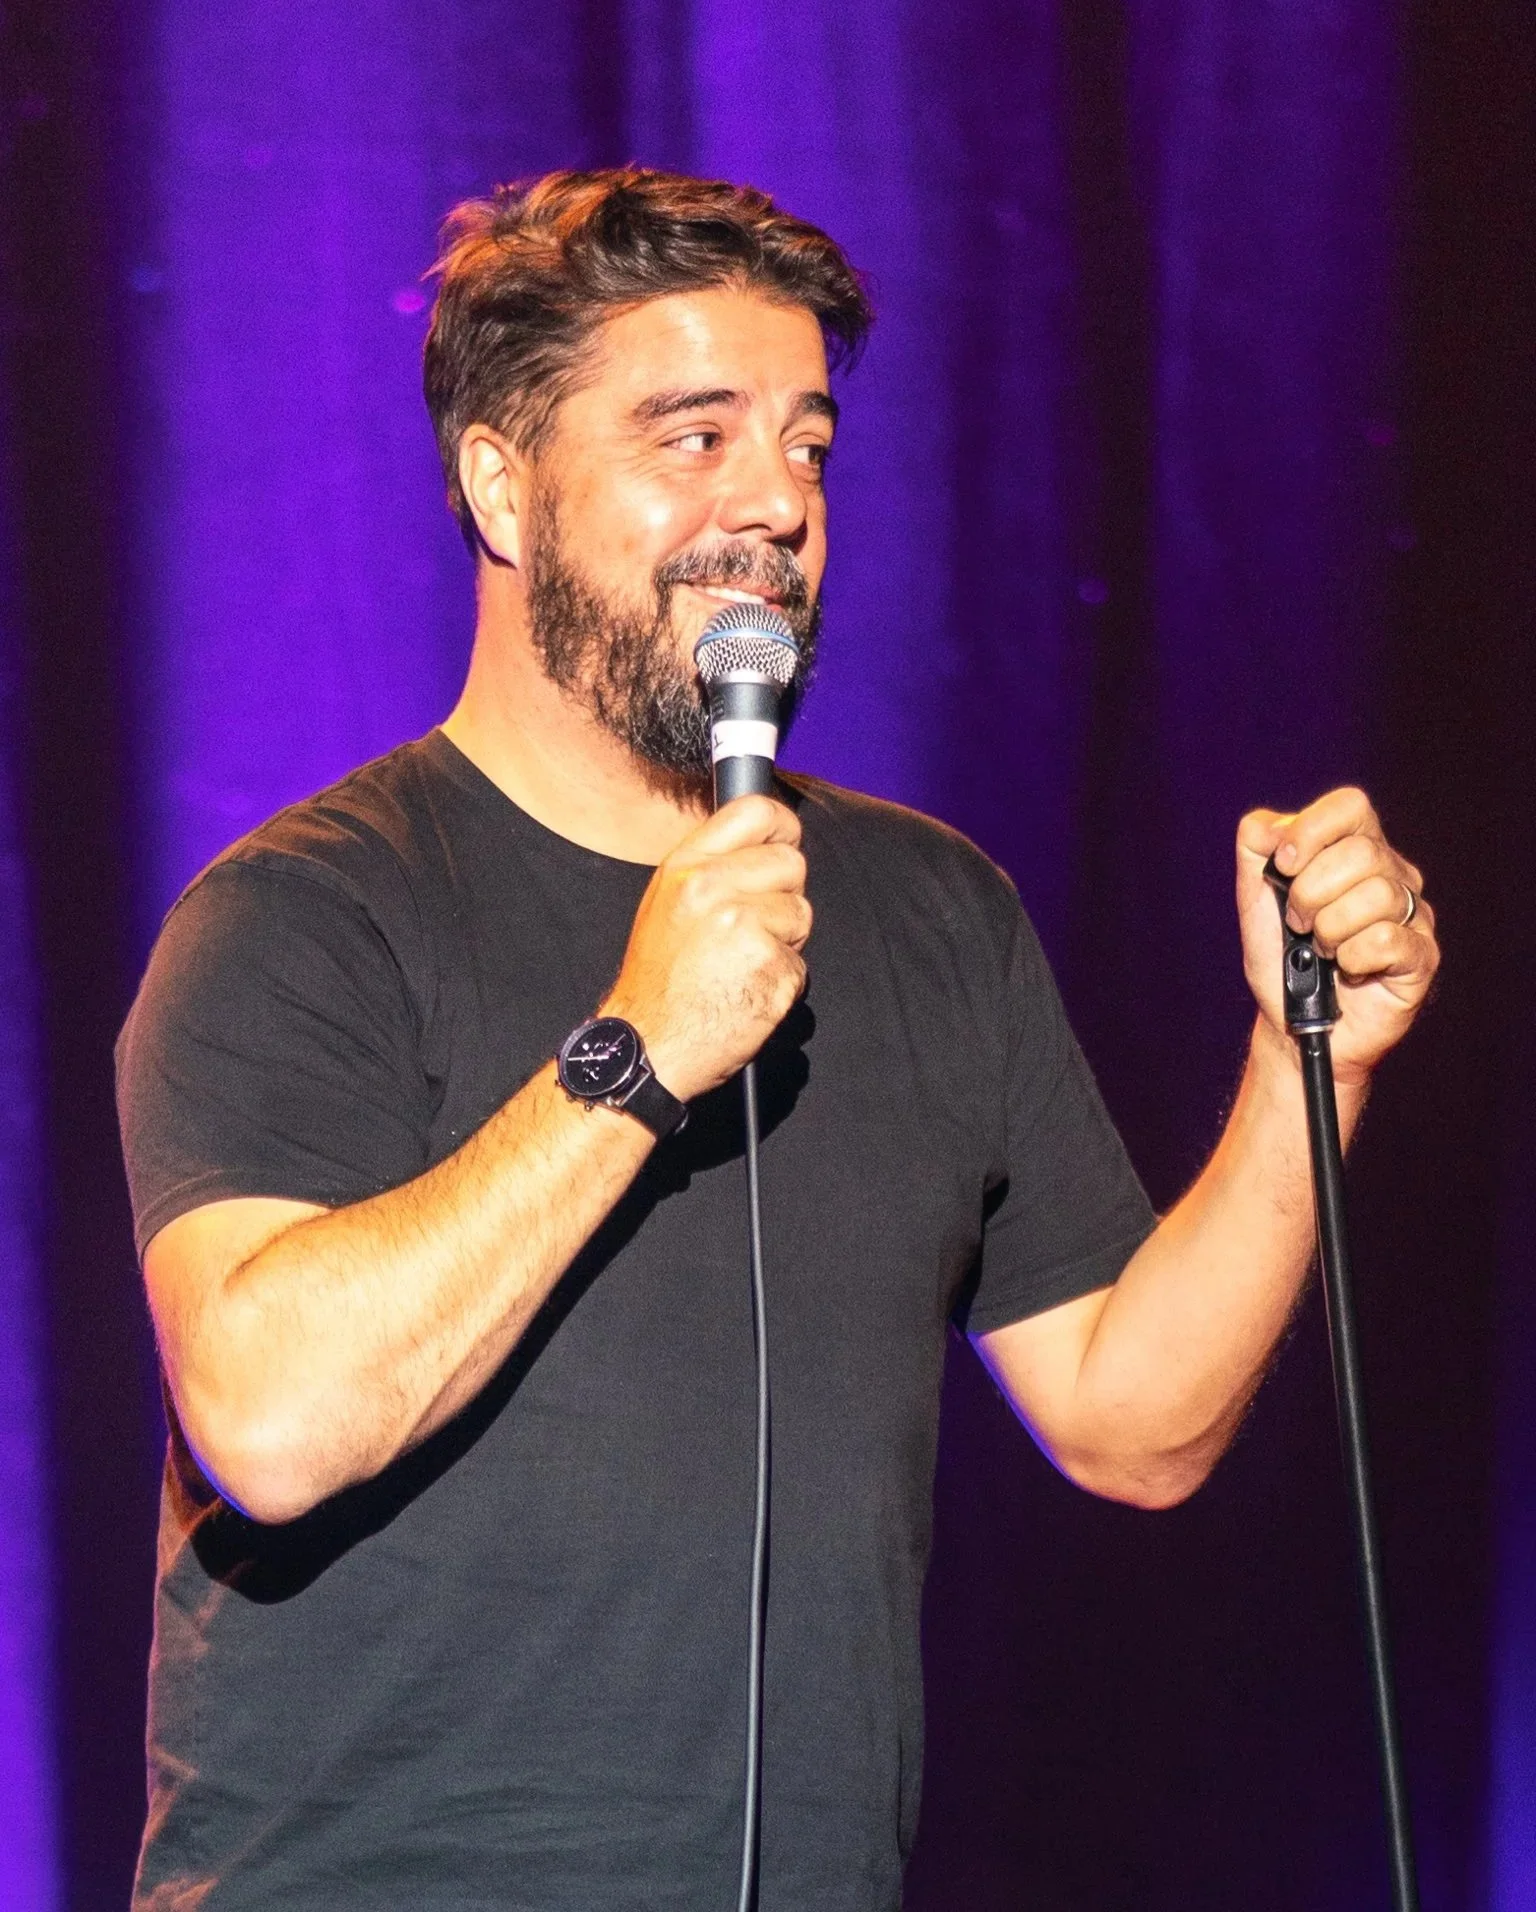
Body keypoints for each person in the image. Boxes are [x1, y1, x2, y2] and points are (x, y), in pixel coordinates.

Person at [115, 168, 1439, 1912]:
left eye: (808, 445)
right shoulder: (310, 912)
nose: (775, 503)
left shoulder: (927, 910)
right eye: (696, 437)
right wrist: (637, 1049)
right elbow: (271, 1423)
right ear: (502, 487)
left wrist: (1305, 1061)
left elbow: (1136, 1423)